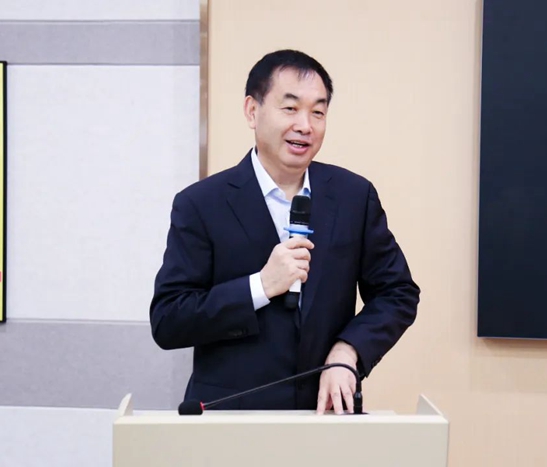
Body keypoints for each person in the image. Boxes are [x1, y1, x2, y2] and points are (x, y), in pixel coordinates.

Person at [150, 49, 419, 414]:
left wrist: (349, 350)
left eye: (318, 112)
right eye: (290, 108)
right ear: (252, 111)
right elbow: (169, 320)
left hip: (325, 413)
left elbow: (397, 292)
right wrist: (260, 286)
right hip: (231, 416)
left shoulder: (354, 196)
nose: (305, 125)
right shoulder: (201, 204)